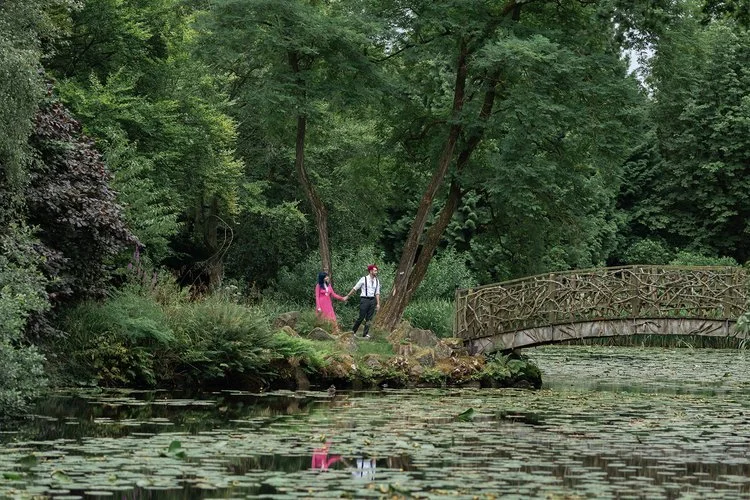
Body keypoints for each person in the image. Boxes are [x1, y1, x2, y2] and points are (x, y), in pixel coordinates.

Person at [345, 264, 380, 338]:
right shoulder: (364, 279)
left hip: (372, 300)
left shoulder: (377, 280)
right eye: (375, 270)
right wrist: (348, 296)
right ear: (370, 271)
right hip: (364, 299)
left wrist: (378, 304)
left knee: (369, 318)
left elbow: (377, 293)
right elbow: (355, 288)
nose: (376, 272)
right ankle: (353, 331)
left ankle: (365, 333)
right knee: (361, 317)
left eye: (376, 271)